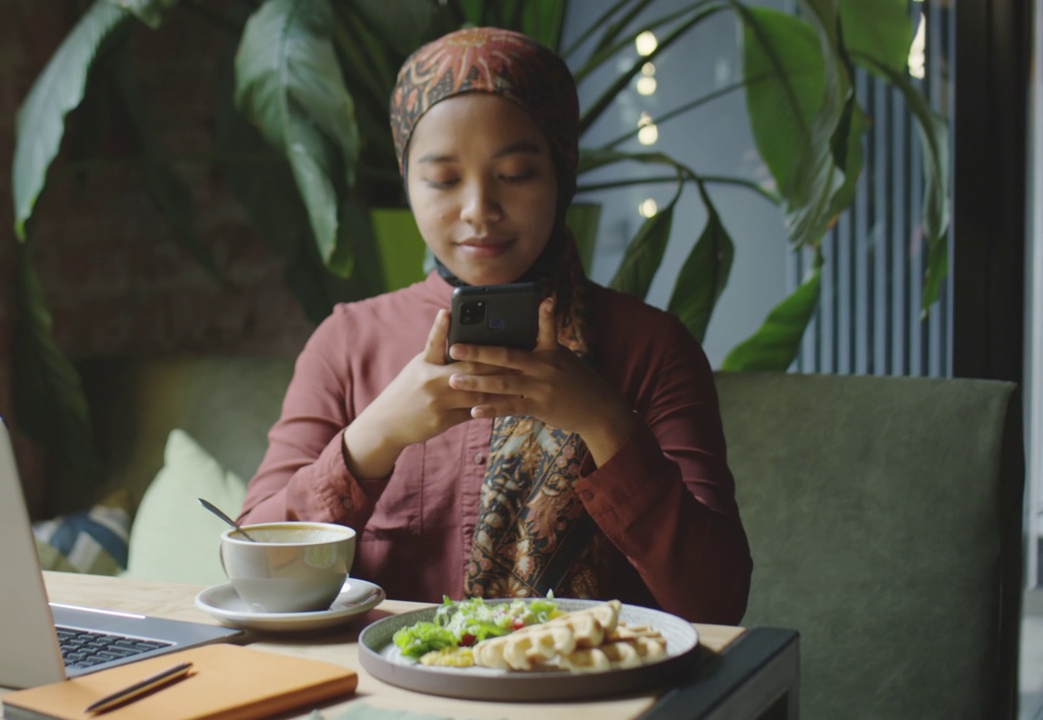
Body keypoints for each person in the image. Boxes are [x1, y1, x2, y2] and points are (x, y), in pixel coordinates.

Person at [238, 27, 751, 624]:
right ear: (408, 182)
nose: (479, 208)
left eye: (516, 174)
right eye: (444, 179)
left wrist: (603, 421)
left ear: (561, 173)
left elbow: (718, 604)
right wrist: (376, 437)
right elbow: (256, 568)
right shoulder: (349, 343)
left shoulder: (650, 348)